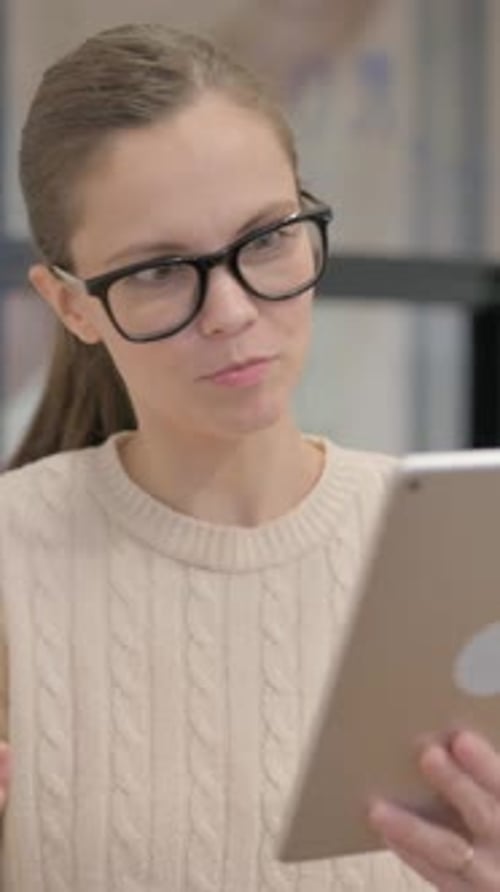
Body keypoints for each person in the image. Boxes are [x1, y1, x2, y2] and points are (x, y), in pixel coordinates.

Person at [0, 22, 498, 892]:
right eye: (157, 271)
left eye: (267, 238)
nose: (229, 312)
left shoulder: (459, 550)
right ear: (71, 306)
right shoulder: (12, 560)